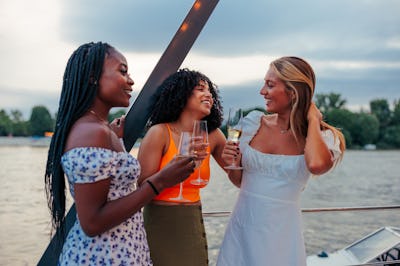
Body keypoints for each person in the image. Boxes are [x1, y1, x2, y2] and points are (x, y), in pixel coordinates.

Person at [44, 42, 196, 265]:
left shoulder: (102, 130)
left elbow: (113, 188)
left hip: (117, 251)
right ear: (92, 77)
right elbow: (92, 223)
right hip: (102, 256)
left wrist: (115, 138)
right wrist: (159, 182)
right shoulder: (92, 133)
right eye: (122, 71)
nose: (131, 80)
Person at [216, 56, 346, 266]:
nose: (262, 91)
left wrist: (313, 120)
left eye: (270, 85)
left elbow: (316, 165)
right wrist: (231, 163)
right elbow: (240, 181)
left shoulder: (323, 139)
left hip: (282, 235)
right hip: (242, 230)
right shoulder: (251, 124)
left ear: (293, 92)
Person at [137, 68, 227, 266]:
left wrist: (238, 157)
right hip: (160, 222)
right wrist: (173, 168)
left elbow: (239, 178)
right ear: (182, 94)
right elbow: (141, 186)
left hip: (191, 222)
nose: (208, 95)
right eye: (200, 89)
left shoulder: (213, 136)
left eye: (210, 92)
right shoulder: (159, 132)